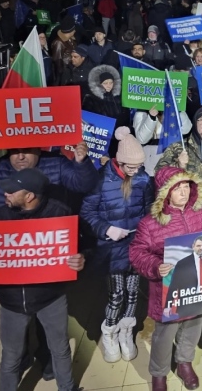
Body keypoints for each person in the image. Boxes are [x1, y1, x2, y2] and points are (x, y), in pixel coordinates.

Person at [0, 169, 86, 391]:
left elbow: (82, 249)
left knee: (60, 349)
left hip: (50, 298)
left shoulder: (60, 215)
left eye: (12, 191)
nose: (5, 194)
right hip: (12, 301)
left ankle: (68, 388)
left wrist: (81, 260)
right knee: (11, 356)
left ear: (30, 196)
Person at [130, 164, 202, 391]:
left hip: (197, 286)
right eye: (177, 188)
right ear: (166, 192)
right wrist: (156, 267)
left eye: (187, 186)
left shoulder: (199, 211)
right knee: (164, 335)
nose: (184, 192)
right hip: (167, 291)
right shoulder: (150, 223)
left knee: (194, 325)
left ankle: (184, 362)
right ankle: (159, 373)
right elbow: (137, 253)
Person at [80, 128, 152, 363]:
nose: (136, 170)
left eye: (139, 166)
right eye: (131, 167)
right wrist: (107, 229)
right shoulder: (100, 180)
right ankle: (109, 331)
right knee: (117, 295)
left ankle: (126, 332)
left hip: (135, 246)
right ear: (119, 162)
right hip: (111, 249)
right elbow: (87, 212)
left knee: (133, 293)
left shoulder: (142, 178)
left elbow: (149, 208)